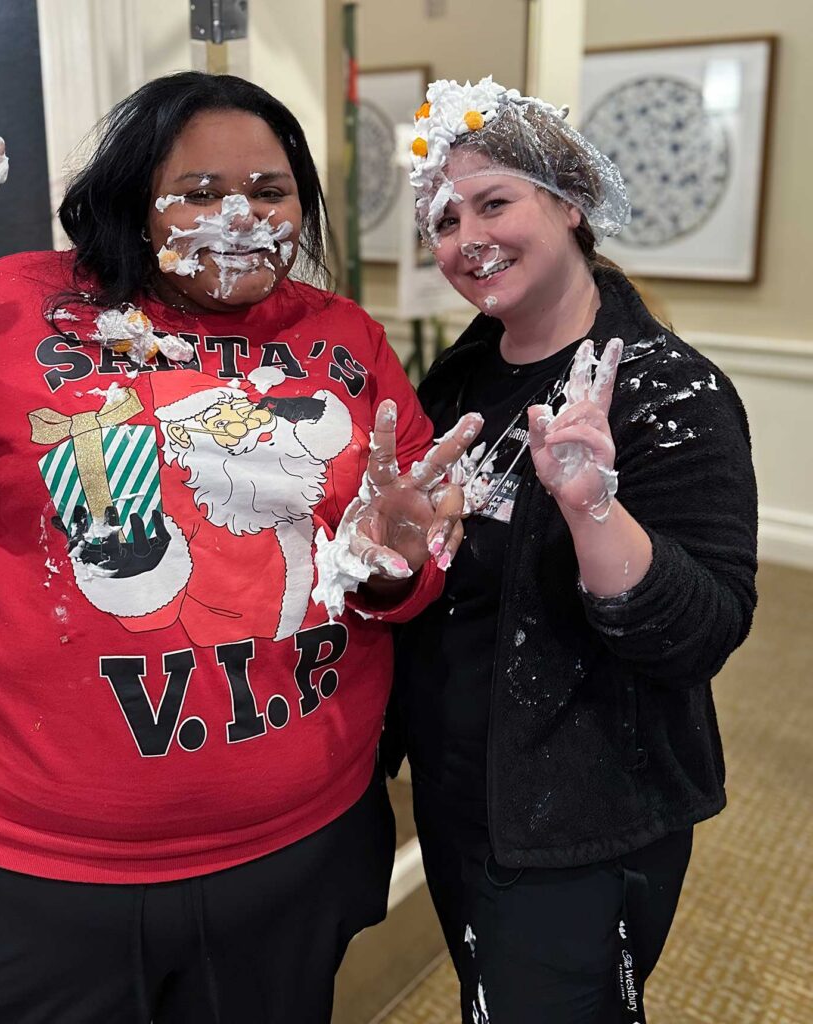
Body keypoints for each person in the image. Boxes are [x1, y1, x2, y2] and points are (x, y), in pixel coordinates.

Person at [0, 72, 480, 1023]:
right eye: (198, 190)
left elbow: (397, 568)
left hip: (296, 851)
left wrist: (401, 565)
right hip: (44, 876)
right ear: (131, 199)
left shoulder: (346, 338)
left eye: (270, 191)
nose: (238, 215)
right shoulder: (7, 307)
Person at [392, 76, 758, 1023]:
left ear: (570, 202)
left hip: (585, 813)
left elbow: (700, 634)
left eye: (495, 201)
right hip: (463, 792)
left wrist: (594, 509)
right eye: (442, 218)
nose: (466, 235)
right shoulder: (460, 378)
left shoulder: (670, 391)